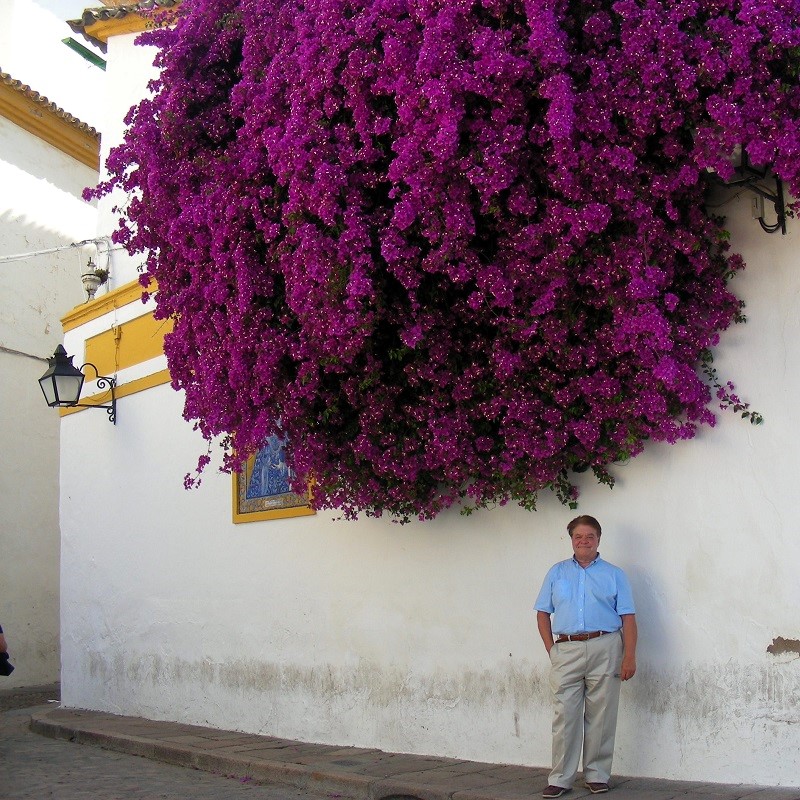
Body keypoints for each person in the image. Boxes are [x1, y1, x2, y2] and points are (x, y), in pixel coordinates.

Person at [534, 515, 637, 797]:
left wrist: (629, 657)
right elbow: (543, 613)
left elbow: (628, 617)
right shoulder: (556, 572)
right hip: (566, 649)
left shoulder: (614, 574)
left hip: (605, 645)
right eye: (578, 536)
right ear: (571, 540)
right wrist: (551, 649)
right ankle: (560, 778)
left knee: (602, 714)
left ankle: (597, 774)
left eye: (589, 536)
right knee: (564, 714)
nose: (584, 541)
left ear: (598, 539)